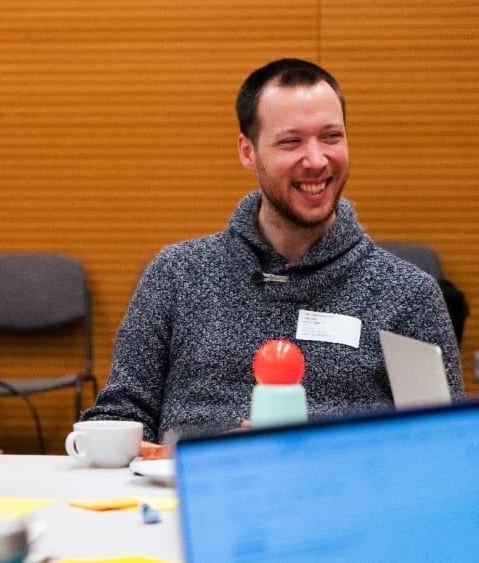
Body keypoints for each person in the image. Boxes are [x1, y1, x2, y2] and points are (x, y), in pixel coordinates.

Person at [82, 58, 465, 452]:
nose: (316, 160)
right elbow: (116, 420)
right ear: (248, 152)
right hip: (184, 489)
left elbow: (444, 451)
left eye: (331, 136)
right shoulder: (176, 275)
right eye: (291, 141)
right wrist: (210, 454)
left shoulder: (407, 295)